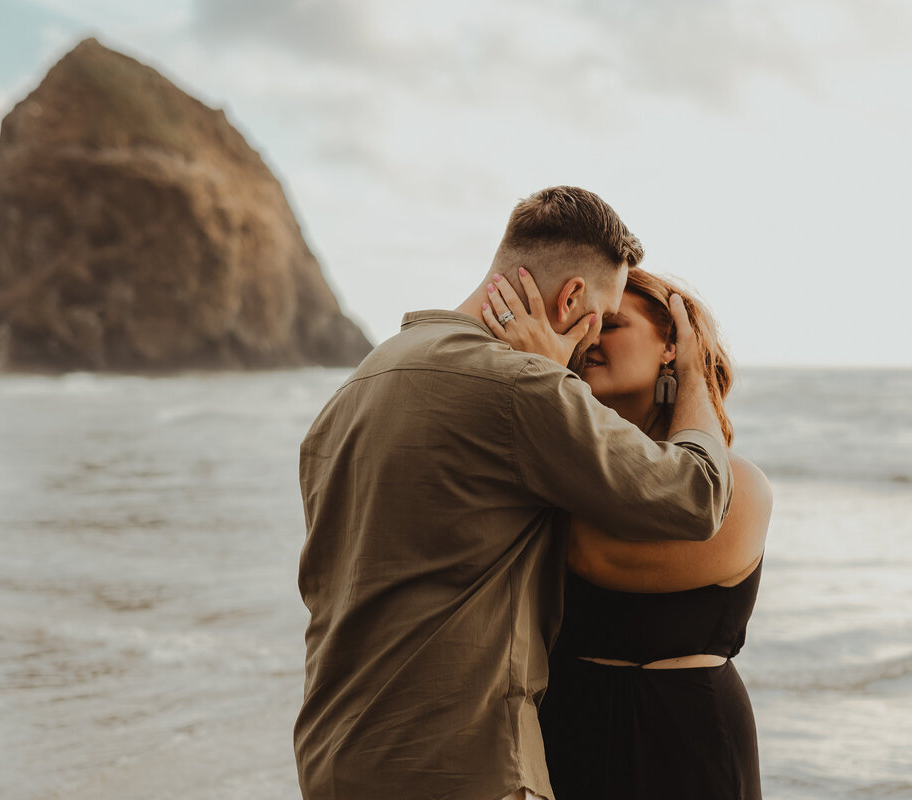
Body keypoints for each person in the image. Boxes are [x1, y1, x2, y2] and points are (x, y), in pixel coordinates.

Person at [295, 186, 734, 800]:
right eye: (601, 320)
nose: (589, 345)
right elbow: (699, 493)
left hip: (334, 759)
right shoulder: (521, 389)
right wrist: (690, 374)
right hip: (463, 769)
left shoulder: (359, 385)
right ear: (571, 297)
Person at [483, 267, 772, 799]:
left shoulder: (743, 487)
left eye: (611, 324)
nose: (587, 338)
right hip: (565, 733)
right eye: (580, 324)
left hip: (689, 741)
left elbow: (599, 556)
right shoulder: (554, 477)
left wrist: (546, 382)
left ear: (672, 345)